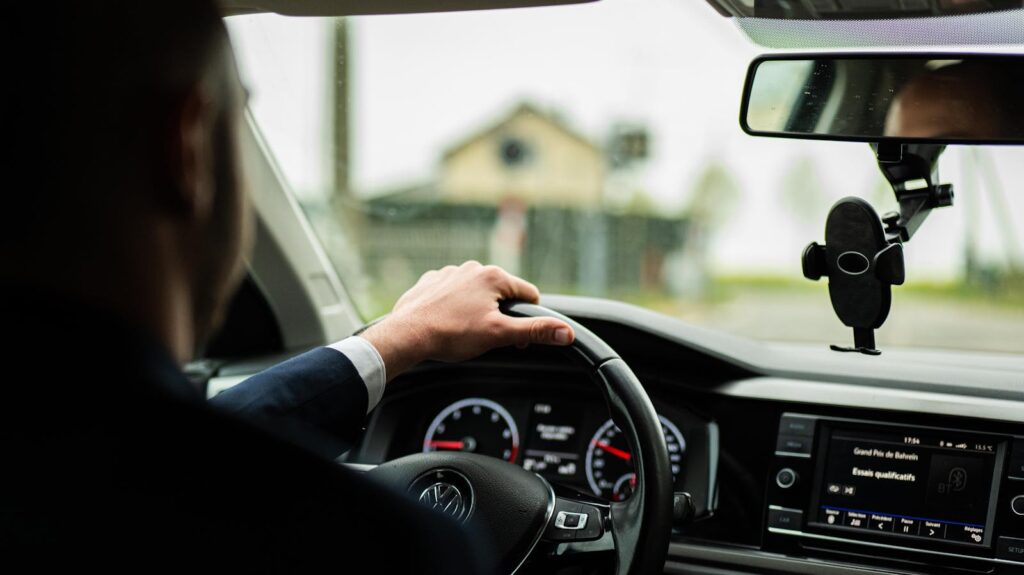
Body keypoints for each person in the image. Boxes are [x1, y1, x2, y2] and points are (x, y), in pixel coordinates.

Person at [1, 1, 574, 571]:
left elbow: (196, 446)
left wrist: (401, 336)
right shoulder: (392, 547)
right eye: (236, 120)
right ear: (187, 146)